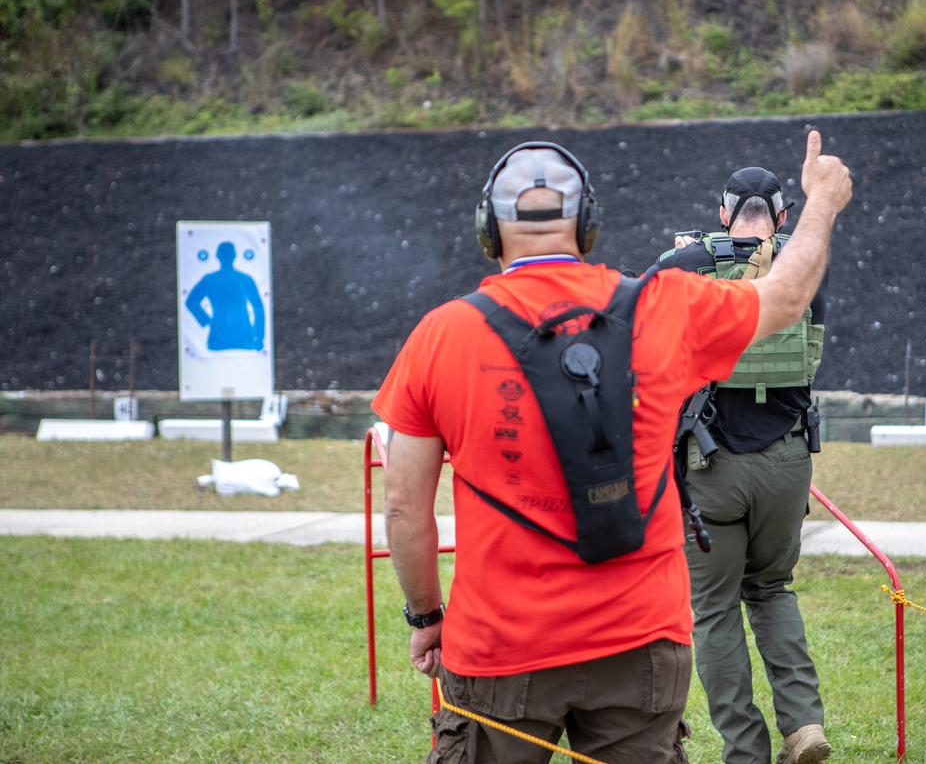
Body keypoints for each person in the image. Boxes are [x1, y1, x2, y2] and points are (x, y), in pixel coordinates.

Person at [372, 131, 852, 764]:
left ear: (488, 229)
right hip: (638, 642)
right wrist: (820, 201)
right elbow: (788, 294)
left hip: (499, 647)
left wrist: (425, 616)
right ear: (589, 222)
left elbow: (406, 508)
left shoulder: (439, 336)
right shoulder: (660, 308)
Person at [657, 166, 831, 764]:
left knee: (714, 610)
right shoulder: (804, 267)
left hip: (713, 468)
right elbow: (809, 348)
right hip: (787, 461)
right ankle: (804, 724)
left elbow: (633, 307)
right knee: (774, 589)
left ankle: (746, 751)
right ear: (781, 218)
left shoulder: (689, 264)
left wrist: (684, 259)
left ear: (725, 212)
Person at [185, 240, 265, 351]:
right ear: (235, 255)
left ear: (218, 256)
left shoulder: (210, 279)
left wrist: (207, 320)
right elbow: (258, 308)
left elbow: (191, 301)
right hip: (239, 338)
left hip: (222, 337)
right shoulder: (245, 279)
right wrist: (259, 337)